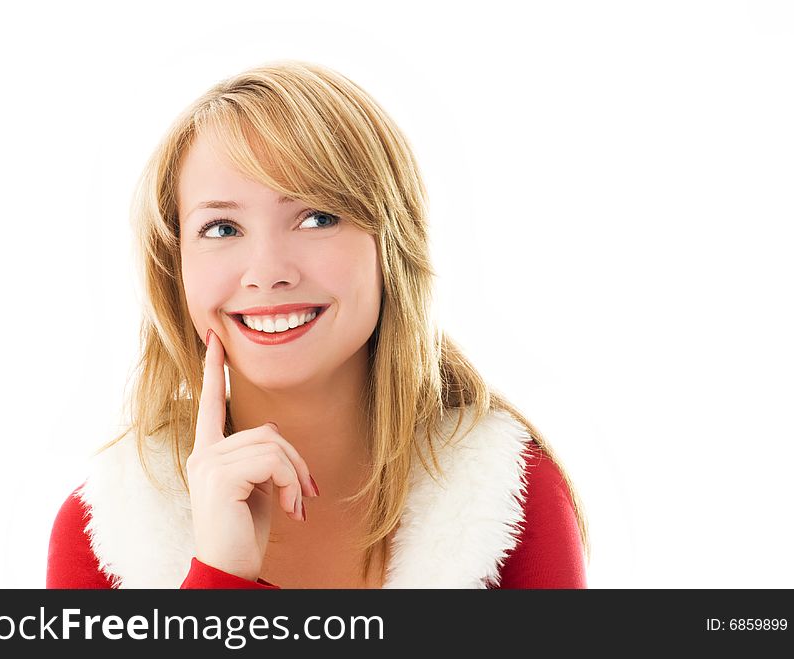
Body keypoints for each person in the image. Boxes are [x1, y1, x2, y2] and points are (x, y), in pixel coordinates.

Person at [46, 59, 589, 589]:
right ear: (175, 267)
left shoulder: (511, 496)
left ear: (391, 245)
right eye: (220, 228)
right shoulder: (103, 536)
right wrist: (218, 578)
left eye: (317, 217)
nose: (267, 273)